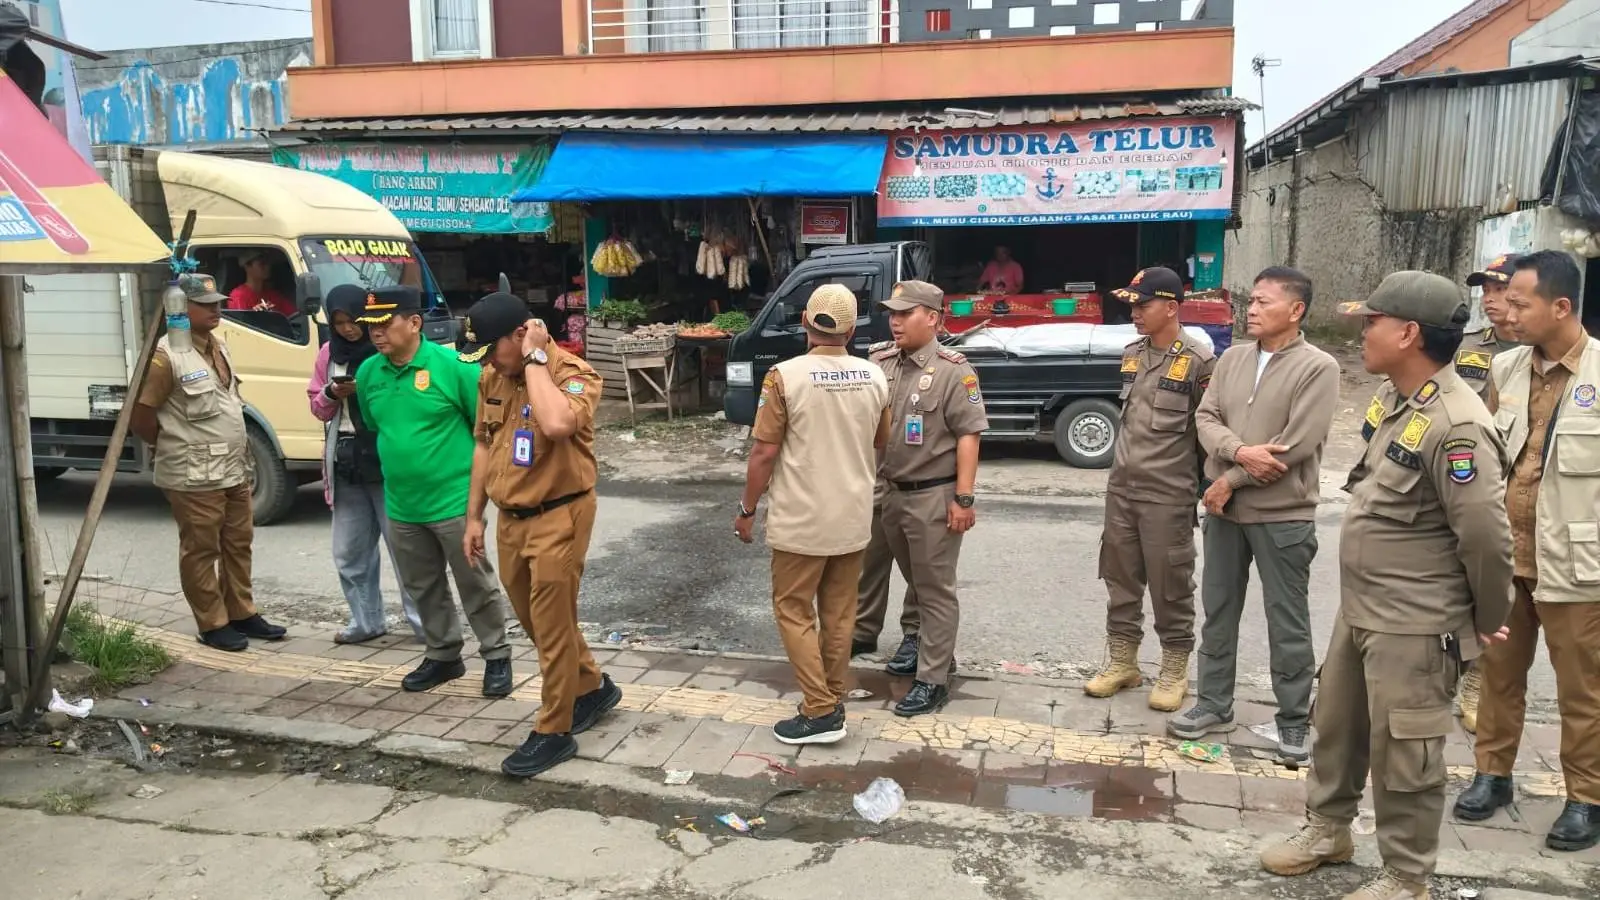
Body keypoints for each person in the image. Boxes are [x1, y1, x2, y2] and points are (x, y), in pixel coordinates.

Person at [1261, 271, 1513, 900]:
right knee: (1339, 729)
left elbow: (1485, 536)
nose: (1361, 332)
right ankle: (1328, 831)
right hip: (1365, 610)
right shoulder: (1404, 403)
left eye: (1371, 322)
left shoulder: (1457, 423)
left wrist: (1486, 617)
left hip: (1417, 621)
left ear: (1407, 333)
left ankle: (1407, 874)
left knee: (1408, 754)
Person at [1452, 250, 1600, 852]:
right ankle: (1493, 776)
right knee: (1497, 677)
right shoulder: (1507, 369)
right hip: (1508, 561)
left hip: (1577, 565)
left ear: (1559, 307)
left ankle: (1586, 799)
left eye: (1519, 303)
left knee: (1582, 690)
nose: (1505, 312)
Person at [1170, 266, 1340, 766]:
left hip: (1281, 514)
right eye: (1253, 301)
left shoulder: (1319, 367)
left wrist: (1229, 477)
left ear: (1296, 310)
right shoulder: (1233, 359)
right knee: (1218, 611)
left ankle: (1291, 722)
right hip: (1225, 512)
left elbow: (1295, 445)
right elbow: (1205, 418)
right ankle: (1213, 703)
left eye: (1265, 302)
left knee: (1286, 621)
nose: (1254, 309)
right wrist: (1239, 453)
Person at [456, 291, 622, 777]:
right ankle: (591, 686)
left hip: (559, 516)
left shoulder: (571, 373)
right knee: (537, 622)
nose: (487, 360)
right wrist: (473, 516)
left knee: (551, 630)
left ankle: (554, 730)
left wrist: (534, 358)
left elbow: (554, 423)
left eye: (494, 348)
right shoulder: (493, 375)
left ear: (520, 334)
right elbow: (483, 444)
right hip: (511, 518)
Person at [735, 283, 890, 745]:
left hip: (802, 520)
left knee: (793, 610)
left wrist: (747, 509)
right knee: (841, 615)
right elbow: (880, 442)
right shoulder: (875, 376)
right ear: (850, 328)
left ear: (805, 321)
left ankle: (820, 711)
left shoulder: (785, 376)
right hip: (853, 516)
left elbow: (764, 453)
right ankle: (833, 697)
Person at [354, 285, 514, 697]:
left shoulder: (453, 365)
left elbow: (483, 433)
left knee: (475, 583)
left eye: (384, 324)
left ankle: (496, 655)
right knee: (422, 585)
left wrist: (478, 504)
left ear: (414, 322)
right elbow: (375, 425)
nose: (376, 333)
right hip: (402, 503)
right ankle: (443, 655)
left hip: (454, 499)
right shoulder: (369, 372)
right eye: (369, 325)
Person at [130, 274, 286, 651]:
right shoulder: (166, 358)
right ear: (180, 308)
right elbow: (141, 417)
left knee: (239, 542)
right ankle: (212, 622)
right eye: (206, 304)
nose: (217, 309)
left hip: (232, 465)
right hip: (192, 471)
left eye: (218, 302)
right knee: (202, 548)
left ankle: (241, 612)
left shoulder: (217, 346)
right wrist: (169, 444)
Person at [1085, 267, 1215, 712]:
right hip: (1122, 490)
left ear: (1172, 308)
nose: (1135, 313)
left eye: (1144, 305)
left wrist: (1203, 488)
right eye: (1133, 305)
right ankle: (1123, 663)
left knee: (1171, 586)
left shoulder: (1199, 361)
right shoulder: (1131, 354)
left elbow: (1207, 431)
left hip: (1168, 494)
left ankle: (1174, 670)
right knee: (1120, 580)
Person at [870, 280, 988, 716]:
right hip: (893, 493)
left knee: (935, 590)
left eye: (906, 313)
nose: (895, 321)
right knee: (917, 582)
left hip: (933, 496)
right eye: (893, 313)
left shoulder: (955, 371)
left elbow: (968, 436)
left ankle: (932, 679)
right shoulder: (881, 362)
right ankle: (933, 649)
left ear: (933, 318)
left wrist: (964, 498)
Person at [307, 283, 423, 645]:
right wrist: (330, 393)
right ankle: (366, 621)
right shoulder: (329, 353)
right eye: (339, 322)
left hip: (387, 457)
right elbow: (316, 405)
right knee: (349, 550)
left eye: (353, 320)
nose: (348, 329)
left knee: (406, 549)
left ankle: (425, 624)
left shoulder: (387, 349)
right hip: (346, 458)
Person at [1452, 252, 1520, 733]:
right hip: (1472, 486)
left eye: (1500, 289)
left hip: (1525, 491)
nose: (1491, 300)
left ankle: (1483, 682)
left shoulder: (1545, 351)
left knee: (1509, 597)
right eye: (1486, 290)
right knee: (1467, 586)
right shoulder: (1469, 347)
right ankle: (1467, 677)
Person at [851, 505, 919, 671]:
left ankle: (916, 632)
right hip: (875, 489)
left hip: (913, 494)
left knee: (918, 568)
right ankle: (862, 631)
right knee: (868, 561)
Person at [227, 249, 295, 316]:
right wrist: (254, 315)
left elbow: (294, 315)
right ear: (247, 266)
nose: (268, 267)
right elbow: (239, 323)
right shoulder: (238, 296)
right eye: (262, 263)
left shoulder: (274, 295)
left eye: (268, 263)